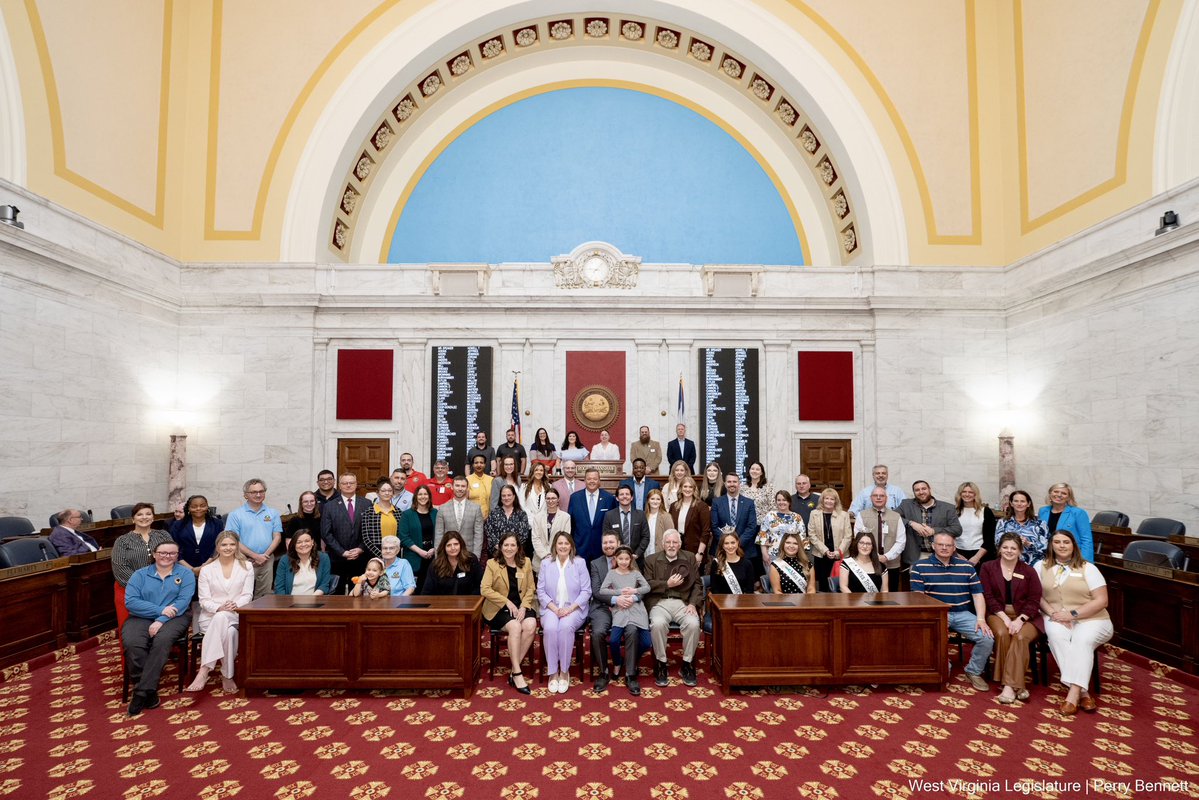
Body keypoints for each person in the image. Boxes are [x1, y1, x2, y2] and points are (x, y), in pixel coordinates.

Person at [1036, 530, 1112, 715]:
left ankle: (1074, 694)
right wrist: (1054, 613)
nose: (1061, 546)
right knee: (1055, 635)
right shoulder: (1041, 565)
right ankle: (1084, 692)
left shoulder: (1088, 568)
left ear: (1073, 546)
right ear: (1051, 545)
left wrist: (1072, 614)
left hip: (1092, 618)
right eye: (1057, 542)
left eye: (1066, 542)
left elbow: (1102, 600)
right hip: (1055, 615)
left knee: (1081, 640)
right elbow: (1036, 595)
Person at [910, 532, 995, 691]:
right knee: (934, 640)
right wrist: (931, 618)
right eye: (940, 544)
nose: (944, 548)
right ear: (933, 546)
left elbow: (977, 595)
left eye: (948, 545)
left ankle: (973, 671)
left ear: (954, 547)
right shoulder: (920, 567)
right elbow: (918, 598)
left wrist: (981, 619)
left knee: (987, 638)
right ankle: (944, 667)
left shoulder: (966, 567)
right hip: (937, 614)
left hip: (963, 613)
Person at [122, 539, 194, 715]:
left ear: (177, 556)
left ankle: (139, 693)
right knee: (132, 642)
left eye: (171, 553)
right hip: (140, 616)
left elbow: (183, 602)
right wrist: (160, 609)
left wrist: (160, 619)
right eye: (162, 553)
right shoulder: (139, 574)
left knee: (162, 641)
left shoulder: (186, 574)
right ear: (154, 554)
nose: (166, 556)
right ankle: (148, 689)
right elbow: (131, 602)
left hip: (176, 616)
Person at [186, 531, 254, 693]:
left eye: (232, 544)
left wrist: (235, 604)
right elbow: (203, 600)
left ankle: (205, 669)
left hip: (236, 614)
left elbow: (248, 595)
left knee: (224, 618)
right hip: (210, 617)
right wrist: (218, 607)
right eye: (224, 544)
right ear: (217, 546)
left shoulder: (247, 566)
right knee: (229, 633)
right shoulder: (207, 569)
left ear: (237, 546)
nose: (228, 548)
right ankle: (227, 675)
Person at [980, 533, 1043, 704]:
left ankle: (1008, 685)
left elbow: (1034, 599)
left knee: (1020, 636)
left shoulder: (1028, 571)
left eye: (1013, 548)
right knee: (1002, 633)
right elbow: (988, 596)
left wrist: (1019, 620)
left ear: (1020, 551)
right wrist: (1004, 618)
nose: (1009, 551)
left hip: (1026, 616)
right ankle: (1017, 685)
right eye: (1005, 547)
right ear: (999, 548)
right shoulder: (988, 567)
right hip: (997, 613)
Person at [481, 531, 537, 694]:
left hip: (521, 607)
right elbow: (484, 589)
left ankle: (514, 668)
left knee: (531, 624)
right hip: (498, 608)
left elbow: (530, 588)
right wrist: (506, 602)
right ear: (500, 546)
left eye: (513, 545)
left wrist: (524, 607)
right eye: (506, 545)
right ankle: (518, 674)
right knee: (515, 627)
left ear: (518, 547)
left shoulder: (525, 562)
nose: (509, 548)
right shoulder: (492, 563)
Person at [645, 530, 703, 686]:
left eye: (675, 542)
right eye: (668, 542)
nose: (671, 545)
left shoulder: (689, 558)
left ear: (680, 544)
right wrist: (667, 584)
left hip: (683, 603)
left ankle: (687, 664)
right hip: (659, 603)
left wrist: (692, 604)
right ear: (663, 544)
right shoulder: (651, 560)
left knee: (693, 624)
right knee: (657, 624)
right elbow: (646, 585)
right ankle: (661, 663)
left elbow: (697, 585)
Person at [537, 531, 591, 693]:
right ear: (554, 546)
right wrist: (554, 608)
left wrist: (569, 608)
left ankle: (564, 671)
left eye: (566, 543)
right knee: (551, 628)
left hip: (574, 608)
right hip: (551, 607)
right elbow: (540, 591)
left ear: (571, 546)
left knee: (566, 627)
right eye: (560, 543)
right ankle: (553, 672)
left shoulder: (579, 563)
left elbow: (586, 591)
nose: (563, 546)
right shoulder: (546, 564)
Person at [596, 545, 652, 695]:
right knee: (614, 640)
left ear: (631, 559)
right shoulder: (612, 573)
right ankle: (619, 662)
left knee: (647, 642)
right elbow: (603, 590)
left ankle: (630, 663)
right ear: (615, 559)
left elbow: (647, 587)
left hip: (636, 610)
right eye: (620, 558)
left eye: (627, 559)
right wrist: (620, 593)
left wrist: (634, 592)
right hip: (620, 611)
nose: (624, 561)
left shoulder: (635, 572)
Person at [111, 503, 175, 631]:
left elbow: (172, 558)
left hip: (162, 587)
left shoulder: (163, 535)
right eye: (139, 514)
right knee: (131, 631)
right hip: (129, 589)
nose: (144, 517)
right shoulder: (122, 541)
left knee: (162, 627)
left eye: (148, 514)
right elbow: (120, 567)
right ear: (133, 519)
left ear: (153, 517)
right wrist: (144, 586)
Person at [224, 478, 282, 599]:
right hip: (243, 560)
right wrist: (256, 556)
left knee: (264, 596)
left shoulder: (273, 513)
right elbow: (233, 540)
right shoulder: (235, 515)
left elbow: (277, 537)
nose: (258, 494)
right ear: (245, 495)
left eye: (261, 491)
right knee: (240, 594)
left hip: (267, 559)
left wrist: (264, 556)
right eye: (254, 492)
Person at [899, 481, 963, 581]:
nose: (921, 492)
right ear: (914, 493)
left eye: (923, 489)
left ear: (929, 489)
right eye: (917, 490)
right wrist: (911, 523)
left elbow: (957, 529)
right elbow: (893, 517)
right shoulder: (906, 504)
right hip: (917, 555)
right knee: (918, 589)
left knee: (942, 584)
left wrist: (934, 531)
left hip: (941, 554)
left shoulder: (947, 508)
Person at [854, 486, 907, 591]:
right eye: (875, 495)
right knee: (869, 595)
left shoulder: (896, 516)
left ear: (886, 498)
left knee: (891, 595)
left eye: (881, 495)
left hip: (891, 564)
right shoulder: (862, 515)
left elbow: (901, 541)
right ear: (871, 498)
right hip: (868, 563)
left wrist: (887, 556)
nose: (878, 498)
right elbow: (859, 539)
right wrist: (875, 556)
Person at [320, 473, 366, 590]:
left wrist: (361, 549)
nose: (348, 485)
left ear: (356, 485)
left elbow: (369, 531)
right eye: (345, 483)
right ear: (339, 485)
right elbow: (326, 533)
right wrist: (342, 552)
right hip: (337, 558)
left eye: (351, 483)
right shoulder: (330, 506)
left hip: (360, 558)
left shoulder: (367, 504)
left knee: (358, 593)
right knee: (337, 593)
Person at [589, 532, 621, 692]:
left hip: (624, 606)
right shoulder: (596, 563)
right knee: (598, 632)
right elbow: (596, 591)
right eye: (605, 543)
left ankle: (630, 670)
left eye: (611, 542)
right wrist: (614, 600)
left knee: (634, 630)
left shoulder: (628, 559)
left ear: (618, 542)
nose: (608, 545)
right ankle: (603, 671)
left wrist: (622, 601)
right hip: (602, 606)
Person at [706, 531, 756, 632]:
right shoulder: (717, 564)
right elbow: (715, 590)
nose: (730, 546)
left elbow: (749, 591)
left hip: (741, 606)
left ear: (738, 543)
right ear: (722, 546)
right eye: (726, 543)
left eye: (733, 542)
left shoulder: (747, 564)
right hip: (722, 607)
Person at [806, 488, 853, 592]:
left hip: (840, 556)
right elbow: (812, 534)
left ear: (836, 501)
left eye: (832, 499)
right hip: (821, 555)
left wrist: (838, 551)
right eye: (826, 498)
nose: (829, 501)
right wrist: (825, 551)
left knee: (841, 585)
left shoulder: (844, 515)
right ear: (822, 500)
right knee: (823, 585)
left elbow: (848, 536)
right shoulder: (814, 514)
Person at [567, 467, 618, 563]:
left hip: (602, 548)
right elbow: (571, 524)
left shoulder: (609, 498)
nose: (592, 481)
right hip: (580, 547)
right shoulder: (575, 498)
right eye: (589, 479)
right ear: (584, 480)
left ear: (599, 480)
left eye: (595, 479)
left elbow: (613, 524)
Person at [757, 490, 804, 591]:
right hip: (772, 555)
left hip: (792, 556)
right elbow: (763, 535)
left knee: (789, 584)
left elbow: (802, 538)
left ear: (789, 502)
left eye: (784, 500)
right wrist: (764, 553)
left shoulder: (797, 517)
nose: (781, 502)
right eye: (779, 500)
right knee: (773, 585)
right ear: (775, 501)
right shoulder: (770, 515)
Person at [710, 472, 758, 572]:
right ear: (725, 483)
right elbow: (714, 526)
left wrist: (737, 543)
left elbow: (752, 526)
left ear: (739, 483)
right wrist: (726, 543)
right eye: (729, 481)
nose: (732, 484)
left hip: (744, 549)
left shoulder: (749, 503)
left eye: (735, 482)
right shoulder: (716, 502)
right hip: (722, 550)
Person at [169, 495, 224, 581]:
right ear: (189, 509)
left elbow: (219, 546)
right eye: (194, 506)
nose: (198, 508)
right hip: (183, 568)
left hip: (212, 567)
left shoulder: (217, 524)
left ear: (207, 507)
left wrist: (205, 566)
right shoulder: (178, 525)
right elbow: (173, 547)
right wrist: (191, 569)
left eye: (202, 506)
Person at [1038, 483, 1094, 562]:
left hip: (1071, 556)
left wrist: (1085, 562)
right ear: (1050, 494)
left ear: (1068, 497)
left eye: (1064, 493)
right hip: (1048, 555)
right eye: (1056, 491)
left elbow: (1086, 539)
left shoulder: (1078, 513)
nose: (1059, 495)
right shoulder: (1043, 511)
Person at [994, 489, 1049, 566]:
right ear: (1011, 503)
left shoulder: (1040, 524)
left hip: (1034, 565)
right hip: (1009, 564)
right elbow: (998, 544)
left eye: (1022, 501)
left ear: (1028, 504)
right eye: (1016, 501)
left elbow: (1045, 548)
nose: (1019, 504)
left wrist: (1028, 544)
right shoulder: (1003, 522)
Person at [421, 530, 483, 595]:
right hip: (442, 603)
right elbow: (427, 591)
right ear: (444, 548)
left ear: (461, 545)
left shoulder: (471, 560)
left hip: (468, 602)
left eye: (456, 544)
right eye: (449, 545)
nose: (453, 548)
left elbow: (480, 585)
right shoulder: (436, 564)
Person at [482, 484, 532, 563]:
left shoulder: (521, 514)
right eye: (503, 496)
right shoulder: (494, 513)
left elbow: (524, 534)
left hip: (516, 555)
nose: (506, 498)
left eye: (509, 495)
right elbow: (489, 533)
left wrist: (511, 548)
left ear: (514, 496)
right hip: (497, 554)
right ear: (500, 498)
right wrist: (502, 548)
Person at [435, 475, 484, 556]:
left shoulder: (476, 508)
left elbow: (478, 535)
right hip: (448, 555)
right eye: (457, 485)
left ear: (467, 488)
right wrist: (438, 558)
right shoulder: (442, 509)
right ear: (452, 487)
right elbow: (438, 535)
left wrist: (476, 557)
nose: (460, 489)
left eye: (463, 486)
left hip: (469, 554)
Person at [274, 530, 334, 595]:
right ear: (294, 545)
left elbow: (324, 585)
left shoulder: (323, 558)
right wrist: (286, 603)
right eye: (299, 542)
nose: (303, 544)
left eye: (307, 541)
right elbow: (279, 588)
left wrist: (312, 600)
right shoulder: (285, 560)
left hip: (315, 601)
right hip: (289, 602)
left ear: (312, 542)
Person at [400, 484, 437, 588]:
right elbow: (404, 537)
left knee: (432, 589)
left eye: (425, 494)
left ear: (429, 496)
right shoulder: (407, 514)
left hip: (433, 556)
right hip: (414, 556)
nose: (423, 496)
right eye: (420, 494)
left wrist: (434, 549)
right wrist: (420, 551)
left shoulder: (435, 513)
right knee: (416, 589)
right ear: (415, 496)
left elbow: (440, 533)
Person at [669, 476, 711, 562]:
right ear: (681, 488)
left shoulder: (701, 506)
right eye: (685, 486)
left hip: (695, 551)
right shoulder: (674, 506)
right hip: (677, 550)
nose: (687, 489)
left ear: (694, 489)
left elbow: (705, 532)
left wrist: (700, 553)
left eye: (690, 487)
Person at [604, 485, 651, 560]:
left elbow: (646, 537)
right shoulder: (609, 515)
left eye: (627, 494)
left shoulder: (641, 515)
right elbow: (606, 538)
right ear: (617, 498)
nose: (624, 496)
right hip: (616, 559)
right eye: (621, 494)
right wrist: (615, 555)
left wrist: (637, 554)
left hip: (636, 559)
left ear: (632, 497)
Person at [955, 481, 997, 566]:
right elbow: (949, 535)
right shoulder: (953, 511)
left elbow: (990, 537)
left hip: (981, 554)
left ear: (975, 494)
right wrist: (956, 555)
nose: (967, 494)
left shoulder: (985, 511)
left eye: (970, 492)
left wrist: (977, 557)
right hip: (958, 554)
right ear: (960, 494)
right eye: (964, 492)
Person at [359, 479, 399, 560]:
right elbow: (366, 538)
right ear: (377, 493)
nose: (387, 493)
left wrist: (393, 553)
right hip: (374, 554)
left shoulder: (398, 512)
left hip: (394, 553)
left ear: (393, 493)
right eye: (383, 491)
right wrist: (381, 555)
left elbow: (401, 535)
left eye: (389, 490)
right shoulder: (369, 512)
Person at [530, 486, 571, 565]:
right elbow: (535, 538)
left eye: (553, 498)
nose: (550, 501)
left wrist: (554, 555)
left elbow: (565, 539)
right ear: (545, 500)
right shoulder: (537, 517)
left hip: (558, 558)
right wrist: (545, 555)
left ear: (558, 500)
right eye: (548, 498)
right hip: (540, 559)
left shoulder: (566, 517)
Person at [741, 462, 775, 529]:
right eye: (752, 469)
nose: (754, 471)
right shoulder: (742, 488)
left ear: (761, 473)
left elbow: (773, 506)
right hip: (746, 525)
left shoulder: (768, 488)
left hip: (764, 526)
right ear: (749, 471)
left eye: (757, 469)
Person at [642, 489, 672, 559]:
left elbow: (670, 537)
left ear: (661, 501)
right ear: (648, 501)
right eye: (652, 499)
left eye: (658, 499)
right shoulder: (643, 516)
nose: (655, 501)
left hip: (661, 554)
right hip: (645, 553)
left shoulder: (666, 516)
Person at [466, 455, 495, 519]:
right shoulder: (467, 480)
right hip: (471, 518)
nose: (479, 465)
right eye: (476, 463)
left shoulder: (491, 480)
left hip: (489, 518)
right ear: (473, 465)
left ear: (485, 465)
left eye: (481, 463)